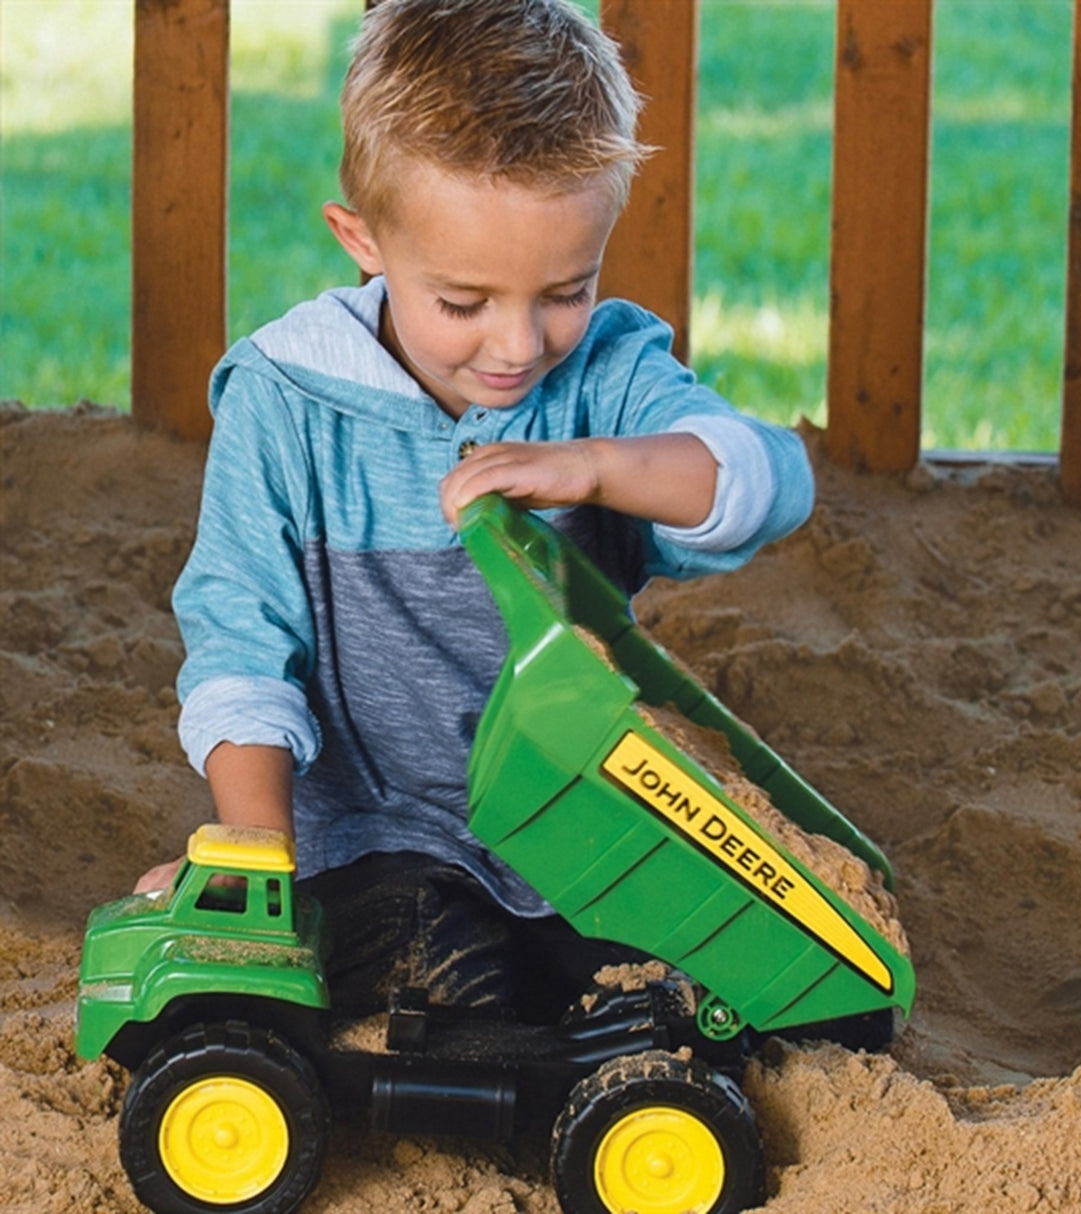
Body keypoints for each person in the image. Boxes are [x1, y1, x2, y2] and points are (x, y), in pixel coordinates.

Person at [135, 0, 814, 1021]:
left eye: (564, 288)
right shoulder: (285, 399)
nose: (516, 343)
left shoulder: (603, 374)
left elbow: (765, 482)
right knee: (441, 956)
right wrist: (253, 859)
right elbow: (240, 640)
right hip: (377, 832)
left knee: (738, 990)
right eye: (462, 302)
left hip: (582, 826)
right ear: (360, 238)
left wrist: (594, 465)